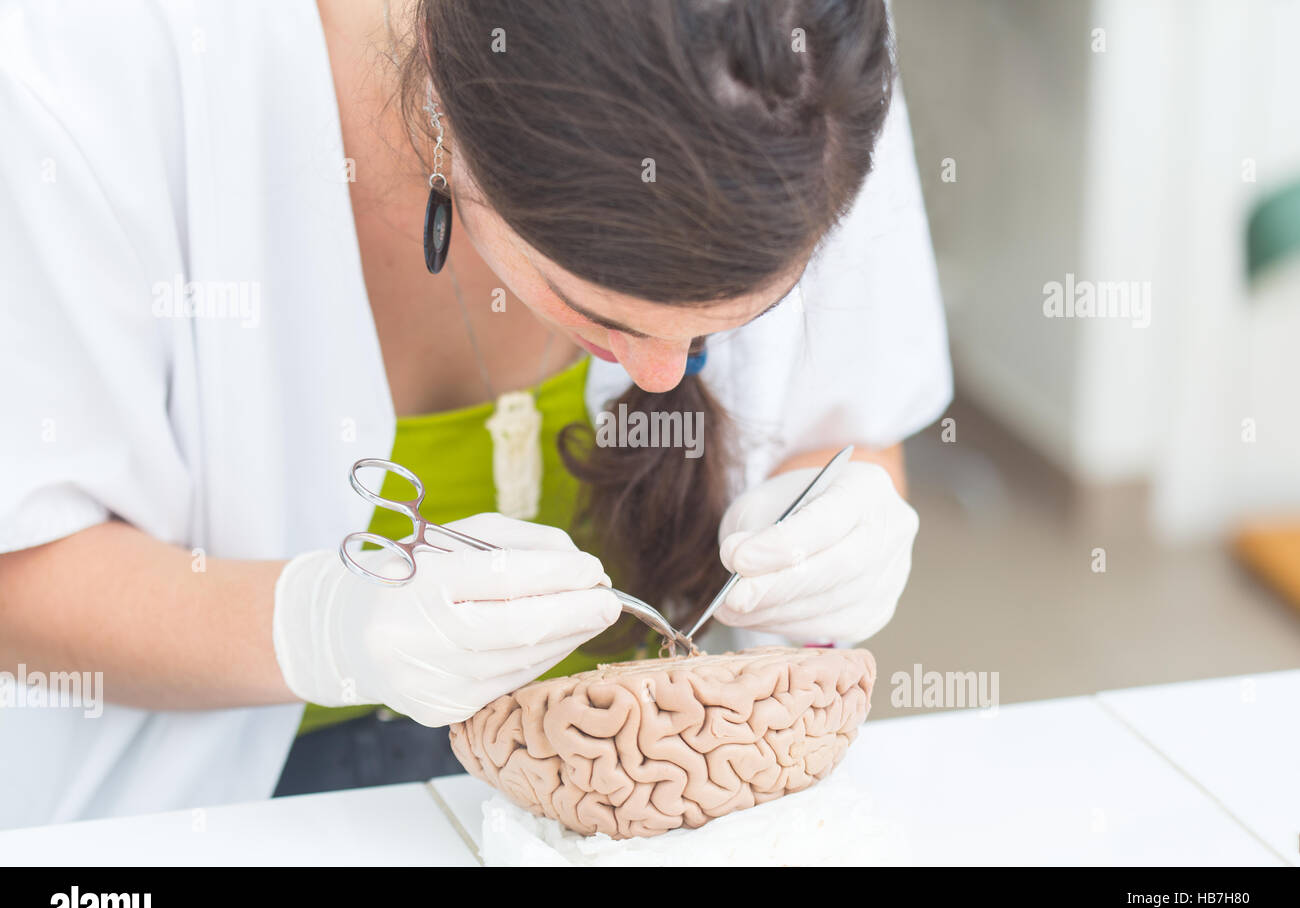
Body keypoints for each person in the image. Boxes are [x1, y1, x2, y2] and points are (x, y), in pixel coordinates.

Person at [0, 0, 950, 827]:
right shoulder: (88, 73)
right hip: (218, 798)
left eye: (729, 325)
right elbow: (22, 577)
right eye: (605, 316)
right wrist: (324, 630)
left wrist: (838, 517)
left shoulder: (793, 66)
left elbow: (846, 421)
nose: (662, 380)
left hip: (624, 774)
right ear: (446, 126)